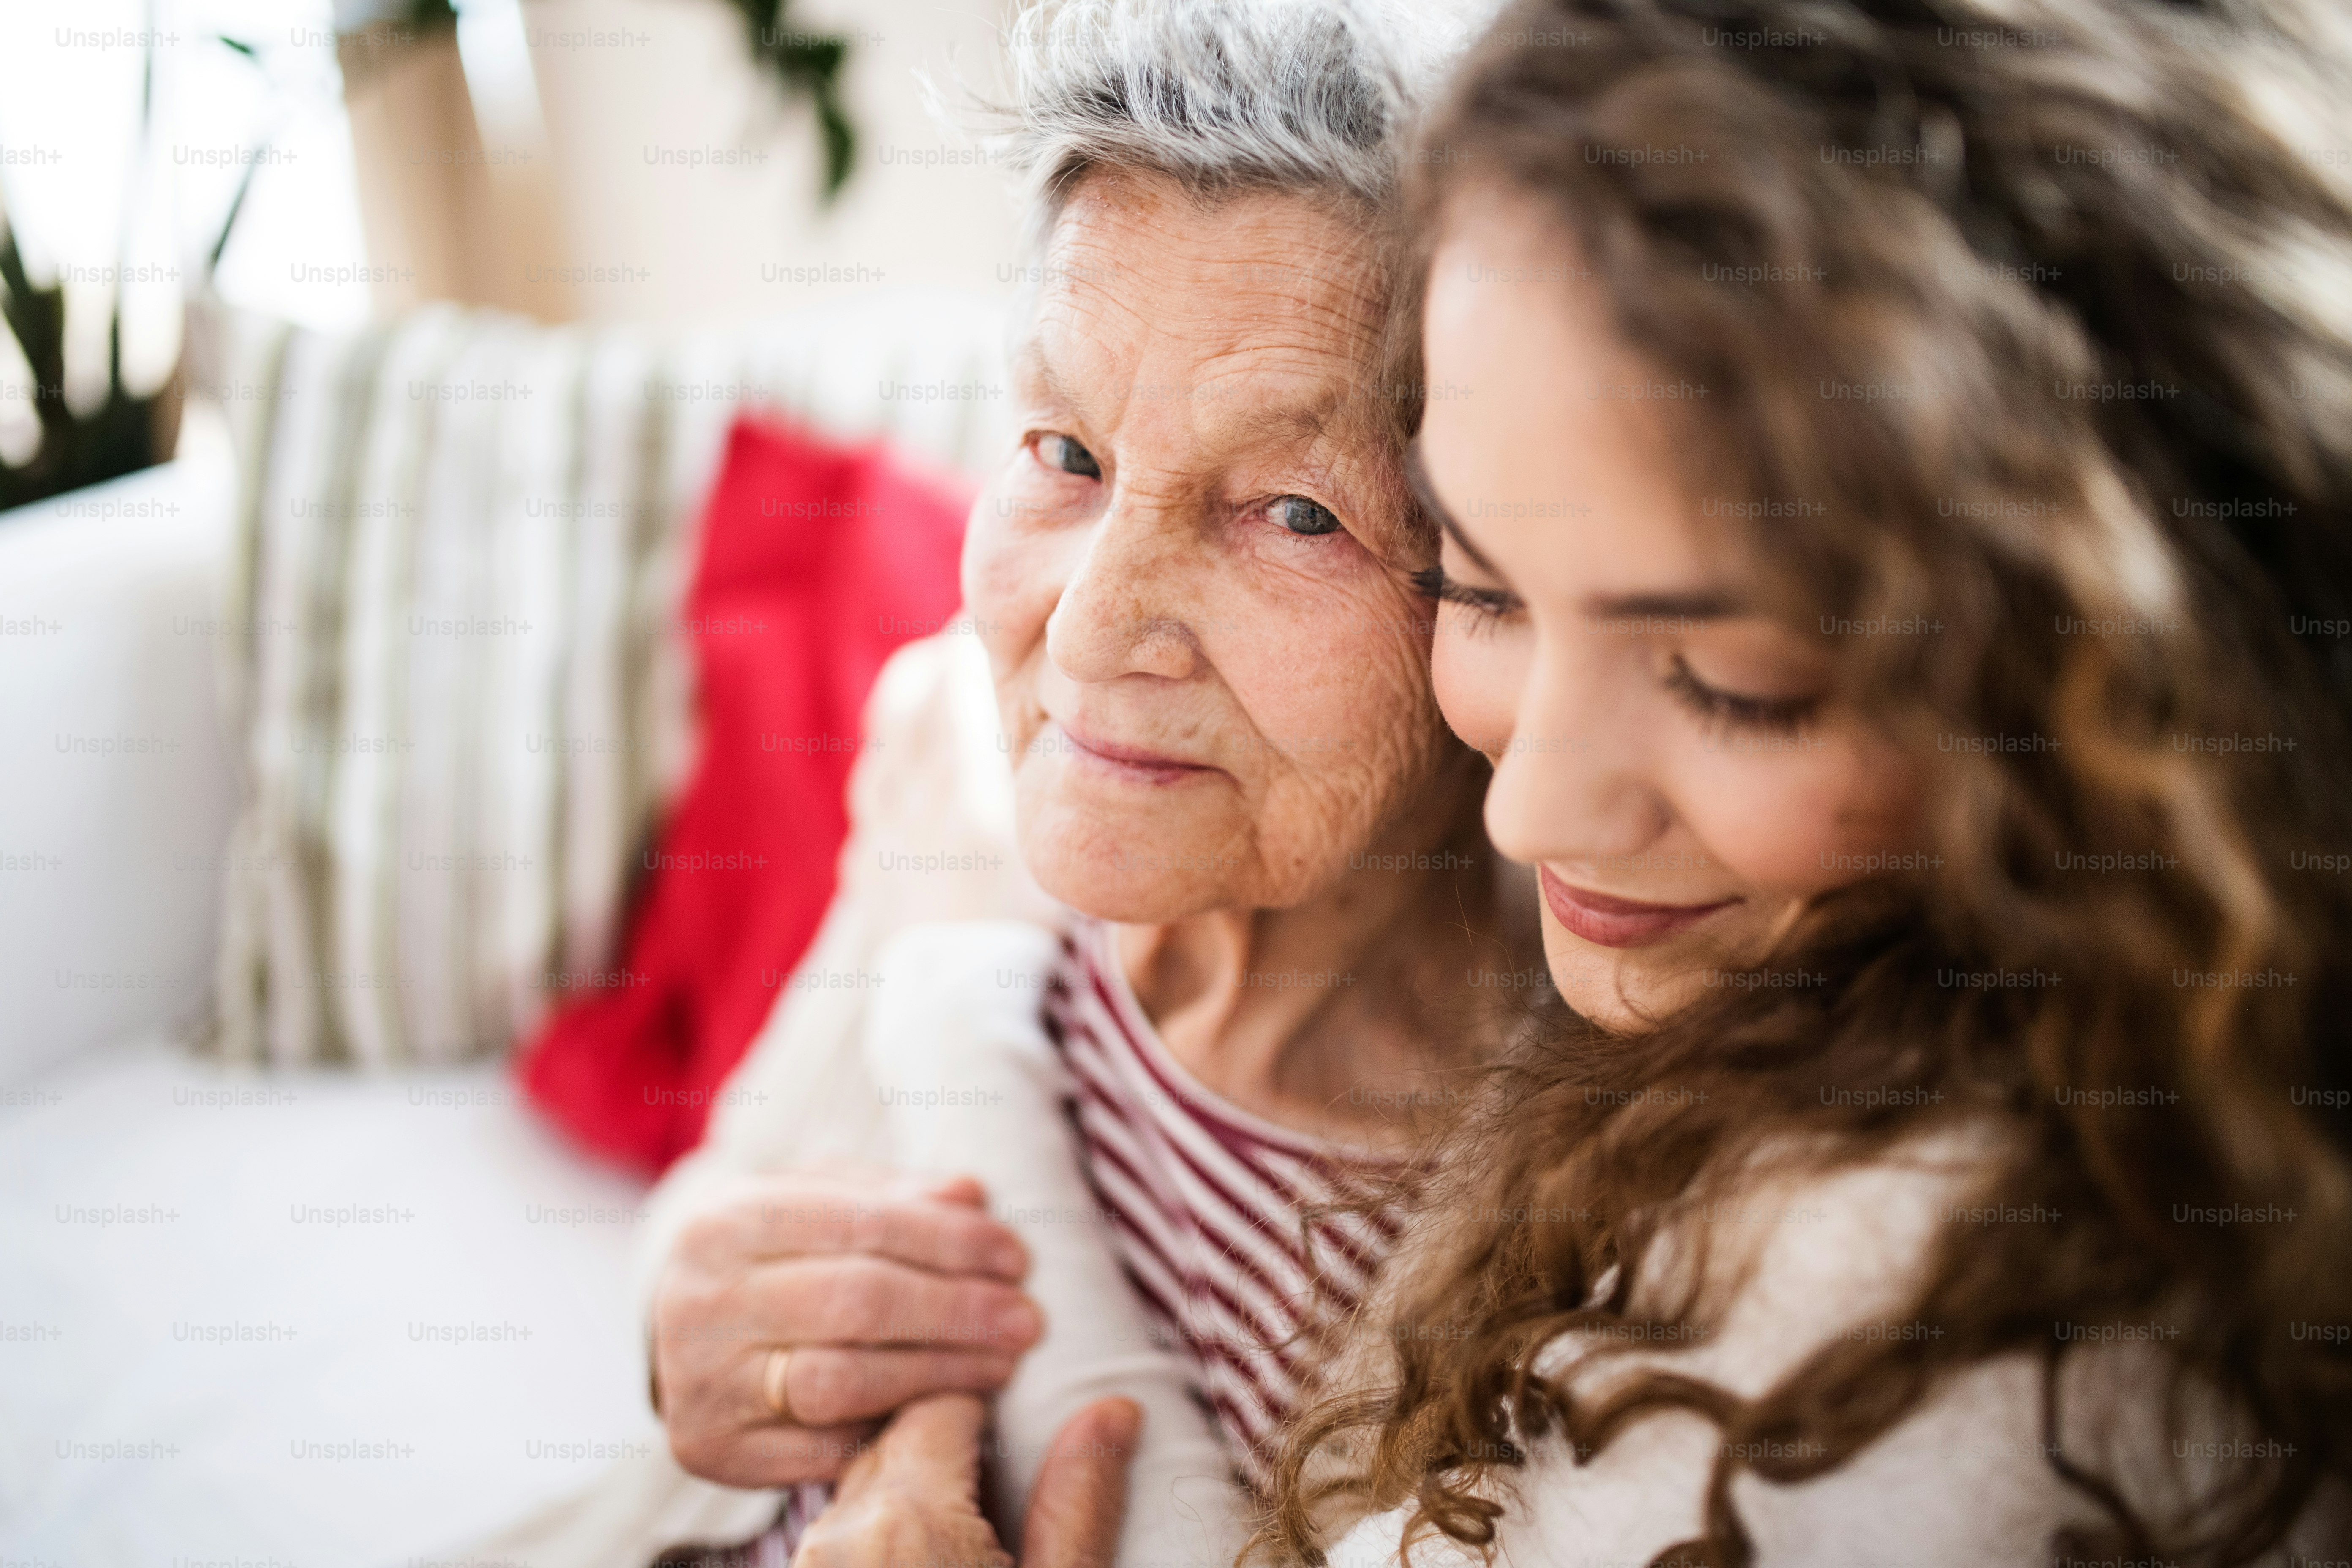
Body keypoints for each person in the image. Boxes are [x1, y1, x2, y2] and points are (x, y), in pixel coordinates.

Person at [1258, 0, 2352, 1561]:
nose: (1531, 812)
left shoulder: (1923, 1301)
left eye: (1736, 685)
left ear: (2115, 668)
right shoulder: (1816, 1011)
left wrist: (929, 985)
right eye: (1481, 587)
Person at [478, 2, 1530, 1564]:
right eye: (1066, 450)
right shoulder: (955, 774)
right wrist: (693, 1331)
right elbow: (731, 1196)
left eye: (1298, 513)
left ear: (1500, 584)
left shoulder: (1570, 1178)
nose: (1092, 627)